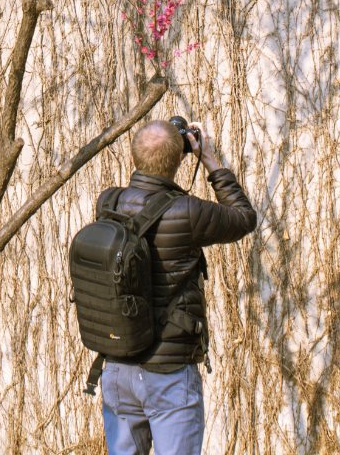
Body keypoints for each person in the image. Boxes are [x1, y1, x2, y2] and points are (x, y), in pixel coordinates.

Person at [98, 120, 256, 455]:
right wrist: (209, 159)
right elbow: (243, 218)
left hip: (117, 366)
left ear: (135, 157)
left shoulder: (108, 203)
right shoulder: (187, 212)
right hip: (168, 374)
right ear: (181, 158)